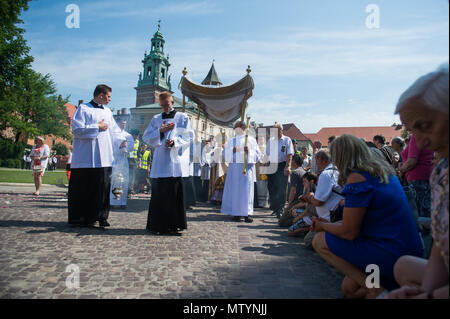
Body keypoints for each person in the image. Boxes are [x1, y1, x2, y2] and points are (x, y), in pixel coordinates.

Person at [311, 134, 424, 298]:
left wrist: (323, 226)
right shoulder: (383, 173)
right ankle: (381, 287)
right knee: (350, 289)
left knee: (319, 241)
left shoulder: (357, 178)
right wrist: (327, 225)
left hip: (389, 252)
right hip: (405, 249)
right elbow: (352, 223)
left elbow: (349, 232)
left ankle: (379, 291)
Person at [387, 63, 448, 299]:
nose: (420, 143)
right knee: (403, 266)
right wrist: (426, 291)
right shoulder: (441, 170)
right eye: (413, 130)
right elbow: (440, 249)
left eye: (424, 126)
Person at [68, 84, 126, 228]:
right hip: (85, 158)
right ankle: (82, 218)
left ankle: (101, 216)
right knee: (84, 189)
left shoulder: (107, 112)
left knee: (102, 189)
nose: (109, 99)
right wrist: (97, 127)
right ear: (100, 95)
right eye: (108, 96)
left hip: (105, 158)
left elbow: (114, 130)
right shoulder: (83, 109)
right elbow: (77, 130)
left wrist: (121, 141)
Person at [143, 91, 194, 236]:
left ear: (172, 102)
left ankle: (175, 225)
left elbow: (189, 135)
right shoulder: (156, 118)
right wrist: (160, 131)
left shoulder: (182, 117)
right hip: (161, 161)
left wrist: (175, 142)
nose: (165, 108)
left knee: (175, 194)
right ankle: (158, 225)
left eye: (168, 104)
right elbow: (146, 137)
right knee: (160, 194)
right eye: (163, 105)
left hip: (176, 162)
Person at [220, 121, 262, 223]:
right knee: (235, 191)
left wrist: (249, 152)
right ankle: (236, 213)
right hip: (234, 169)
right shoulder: (232, 141)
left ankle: (247, 213)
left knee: (247, 191)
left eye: (236, 127)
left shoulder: (251, 140)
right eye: (234, 128)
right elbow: (225, 154)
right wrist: (232, 150)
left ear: (243, 127)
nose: (235, 129)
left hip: (246, 169)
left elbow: (258, 154)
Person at [399, 133, 434, 218]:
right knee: (426, 208)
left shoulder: (417, 136)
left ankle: (424, 230)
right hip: (427, 174)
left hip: (417, 177)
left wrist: (401, 170)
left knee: (419, 211)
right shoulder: (429, 135)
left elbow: (412, 161)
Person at [263, 123, 294, 219]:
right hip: (271, 165)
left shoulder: (286, 140)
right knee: (271, 187)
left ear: (281, 130)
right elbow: (267, 154)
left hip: (281, 165)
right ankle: (275, 208)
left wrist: (288, 166)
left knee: (281, 188)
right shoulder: (271, 141)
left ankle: (280, 209)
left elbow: (289, 154)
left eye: (276, 130)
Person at [110, 120, 134, 209]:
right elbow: (111, 145)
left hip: (123, 160)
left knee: (124, 181)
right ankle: (113, 201)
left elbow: (131, 146)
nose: (123, 125)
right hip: (115, 159)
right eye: (121, 123)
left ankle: (122, 201)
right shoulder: (112, 134)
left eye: (125, 123)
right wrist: (120, 145)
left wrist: (125, 146)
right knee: (116, 180)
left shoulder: (128, 135)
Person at [128, 129, 140, 195]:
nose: (137, 136)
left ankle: (131, 189)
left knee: (133, 176)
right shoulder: (128, 140)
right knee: (127, 175)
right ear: (133, 135)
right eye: (136, 135)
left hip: (134, 161)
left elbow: (138, 152)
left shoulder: (138, 142)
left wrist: (138, 161)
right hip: (128, 159)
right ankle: (127, 189)